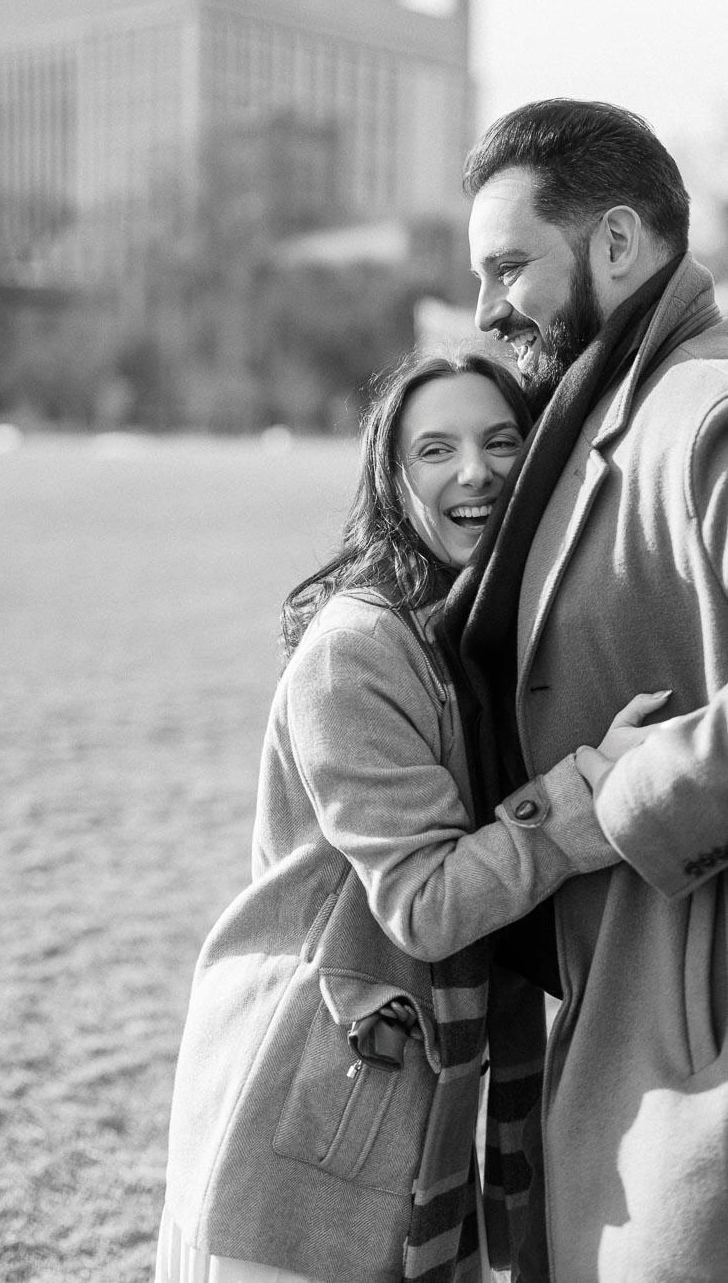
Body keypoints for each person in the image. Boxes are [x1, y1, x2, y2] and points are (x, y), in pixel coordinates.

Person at [155, 352, 666, 1283]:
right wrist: (593, 787)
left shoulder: (479, 634)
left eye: (502, 440)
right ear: (393, 479)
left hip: (408, 1086)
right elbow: (426, 903)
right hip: (316, 1093)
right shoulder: (357, 651)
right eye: (437, 448)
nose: (475, 470)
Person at [444, 98, 728, 1283]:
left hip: (691, 1008)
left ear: (619, 244)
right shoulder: (608, 404)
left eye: (510, 265)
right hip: (621, 1005)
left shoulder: (704, 413)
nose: (486, 309)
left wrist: (623, 796)